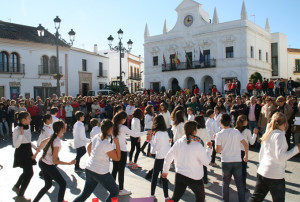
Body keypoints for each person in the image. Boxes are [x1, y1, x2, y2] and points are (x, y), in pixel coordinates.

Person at [249, 112, 300, 202]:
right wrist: (296, 149)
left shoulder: (268, 133)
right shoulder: (279, 135)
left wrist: (260, 166)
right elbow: (280, 156)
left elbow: (262, 153)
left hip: (263, 171)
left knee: (256, 198)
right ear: (285, 124)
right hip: (275, 175)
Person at [162, 121, 212, 202]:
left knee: (175, 198)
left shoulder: (179, 142)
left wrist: (165, 171)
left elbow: (168, 156)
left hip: (180, 175)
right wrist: (208, 149)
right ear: (195, 130)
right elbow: (206, 162)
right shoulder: (198, 145)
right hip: (194, 177)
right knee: (201, 198)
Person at [74, 119, 120, 202]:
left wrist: (93, 159)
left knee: (84, 194)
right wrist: (117, 144)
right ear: (110, 129)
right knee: (115, 191)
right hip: (100, 172)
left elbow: (89, 147)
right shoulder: (106, 144)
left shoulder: (96, 136)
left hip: (89, 168)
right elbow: (117, 158)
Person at [32, 121, 76, 202]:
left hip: (42, 162)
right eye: (64, 126)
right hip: (48, 165)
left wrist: (36, 154)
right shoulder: (56, 142)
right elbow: (55, 161)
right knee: (63, 184)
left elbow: (42, 142)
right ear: (62, 129)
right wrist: (69, 163)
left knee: (48, 185)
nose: (66, 126)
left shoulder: (53, 136)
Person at [112, 111, 151, 195]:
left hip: (114, 149)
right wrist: (146, 132)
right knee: (121, 170)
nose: (126, 120)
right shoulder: (123, 127)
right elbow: (134, 134)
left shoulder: (113, 126)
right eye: (125, 119)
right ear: (122, 119)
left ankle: (112, 187)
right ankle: (121, 189)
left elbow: (116, 137)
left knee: (115, 169)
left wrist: (123, 140)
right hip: (121, 150)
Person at [215, 114, 249, 202]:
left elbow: (218, 151)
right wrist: (246, 155)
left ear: (221, 123)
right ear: (230, 122)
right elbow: (245, 144)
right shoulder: (236, 132)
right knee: (239, 184)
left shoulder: (219, 134)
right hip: (237, 160)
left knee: (226, 183)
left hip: (226, 161)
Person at [12, 111, 36, 202]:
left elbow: (28, 141)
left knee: (27, 172)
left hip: (28, 151)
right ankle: (20, 196)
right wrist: (21, 135)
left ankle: (16, 186)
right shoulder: (17, 129)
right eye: (29, 118)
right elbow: (16, 145)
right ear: (23, 120)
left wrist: (35, 147)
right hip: (21, 153)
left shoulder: (28, 127)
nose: (30, 119)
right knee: (29, 173)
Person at [149, 115, 170, 200]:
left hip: (159, 157)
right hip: (166, 156)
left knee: (154, 176)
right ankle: (166, 197)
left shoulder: (157, 133)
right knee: (164, 177)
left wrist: (150, 140)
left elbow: (155, 148)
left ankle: (152, 195)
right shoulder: (165, 132)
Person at [235, 115, 258, 192]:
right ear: (244, 122)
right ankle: (243, 186)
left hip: (236, 151)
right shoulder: (247, 131)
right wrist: (255, 134)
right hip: (243, 151)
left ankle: (238, 184)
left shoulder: (235, 130)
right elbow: (251, 142)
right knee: (243, 170)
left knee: (237, 169)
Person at [195, 115, 212, 188]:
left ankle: (194, 181)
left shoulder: (194, 130)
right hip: (203, 149)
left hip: (194, 150)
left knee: (195, 166)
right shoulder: (205, 130)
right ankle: (205, 181)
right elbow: (208, 140)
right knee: (203, 166)